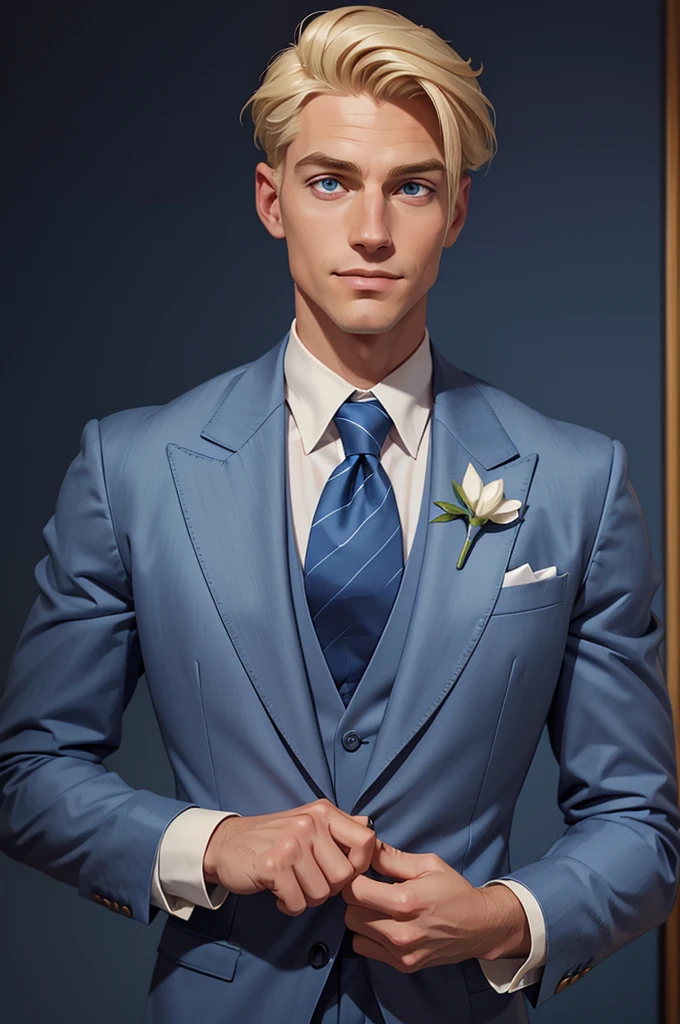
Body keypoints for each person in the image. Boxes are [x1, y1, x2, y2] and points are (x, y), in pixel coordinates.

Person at [1, 6, 678, 1024]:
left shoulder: (574, 483)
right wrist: (214, 843)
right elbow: (29, 772)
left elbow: (639, 823)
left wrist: (503, 915)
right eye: (331, 183)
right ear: (272, 201)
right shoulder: (133, 468)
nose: (371, 230)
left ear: (453, 214)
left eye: (411, 187)